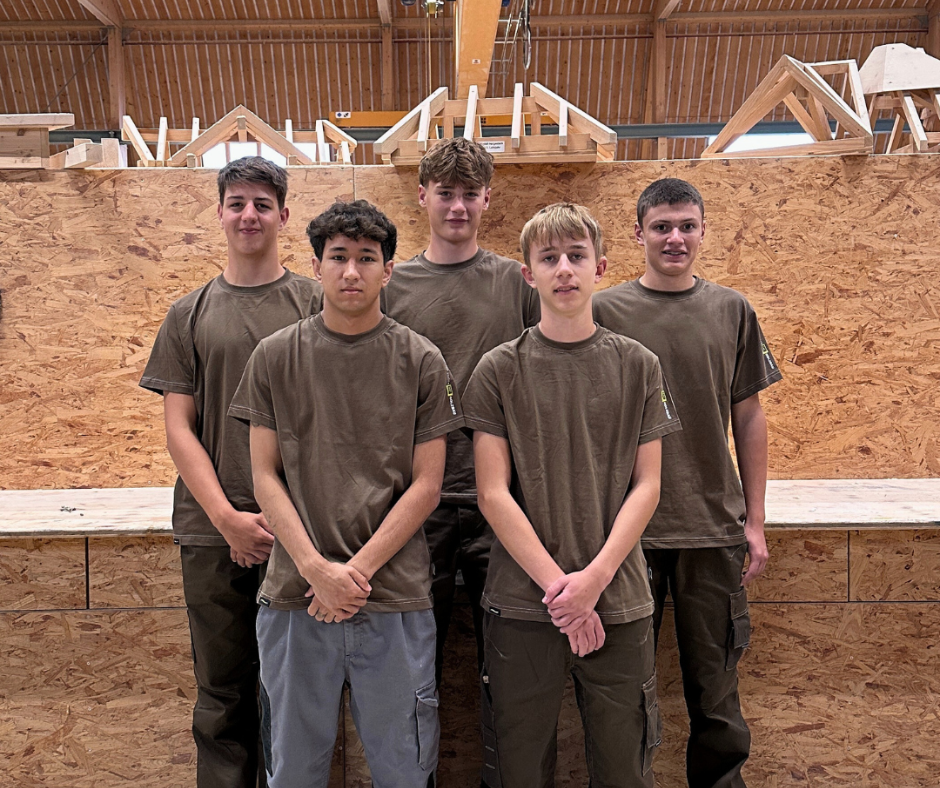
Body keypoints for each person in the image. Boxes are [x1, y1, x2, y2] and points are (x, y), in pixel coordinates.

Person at [229, 200, 463, 787]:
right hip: (295, 597)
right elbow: (264, 477)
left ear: (388, 270)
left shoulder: (421, 361)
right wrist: (316, 569)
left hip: (394, 597)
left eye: (366, 258)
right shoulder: (275, 356)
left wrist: (353, 574)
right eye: (338, 257)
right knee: (293, 772)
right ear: (316, 266)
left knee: (404, 771)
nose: (351, 271)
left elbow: (428, 485)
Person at [462, 203, 681, 787]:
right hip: (522, 603)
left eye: (577, 256)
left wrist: (592, 584)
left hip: (618, 598)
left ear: (600, 267)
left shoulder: (639, 365)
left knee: (624, 768)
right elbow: (492, 493)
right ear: (528, 273)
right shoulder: (497, 369)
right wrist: (563, 594)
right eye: (549, 258)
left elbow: (648, 485)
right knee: (518, 767)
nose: (564, 269)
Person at [594, 178, 783, 788]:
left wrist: (754, 521)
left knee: (717, 695)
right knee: (625, 693)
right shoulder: (603, 312)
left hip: (711, 528)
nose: (674, 238)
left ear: (703, 231)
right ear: (638, 234)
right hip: (626, 538)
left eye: (686, 226)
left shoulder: (732, 310)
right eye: (661, 227)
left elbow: (748, 416)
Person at [139, 157, 322, 788]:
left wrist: (289, 523)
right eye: (237, 203)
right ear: (219, 213)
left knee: (294, 693)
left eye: (262, 204)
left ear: (284, 216)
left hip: (302, 536)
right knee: (223, 694)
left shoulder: (317, 304)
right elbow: (179, 428)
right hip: (211, 533)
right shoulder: (188, 314)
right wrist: (227, 519)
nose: (249, 215)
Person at [382, 136, 540, 685]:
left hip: (503, 503)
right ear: (422, 195)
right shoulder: (391, 287)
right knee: (411, 665)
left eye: (470, 194)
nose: (457, 207)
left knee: (509, 664)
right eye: (445, 193)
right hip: (414, 505)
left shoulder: (517, 282)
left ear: (487, 199)